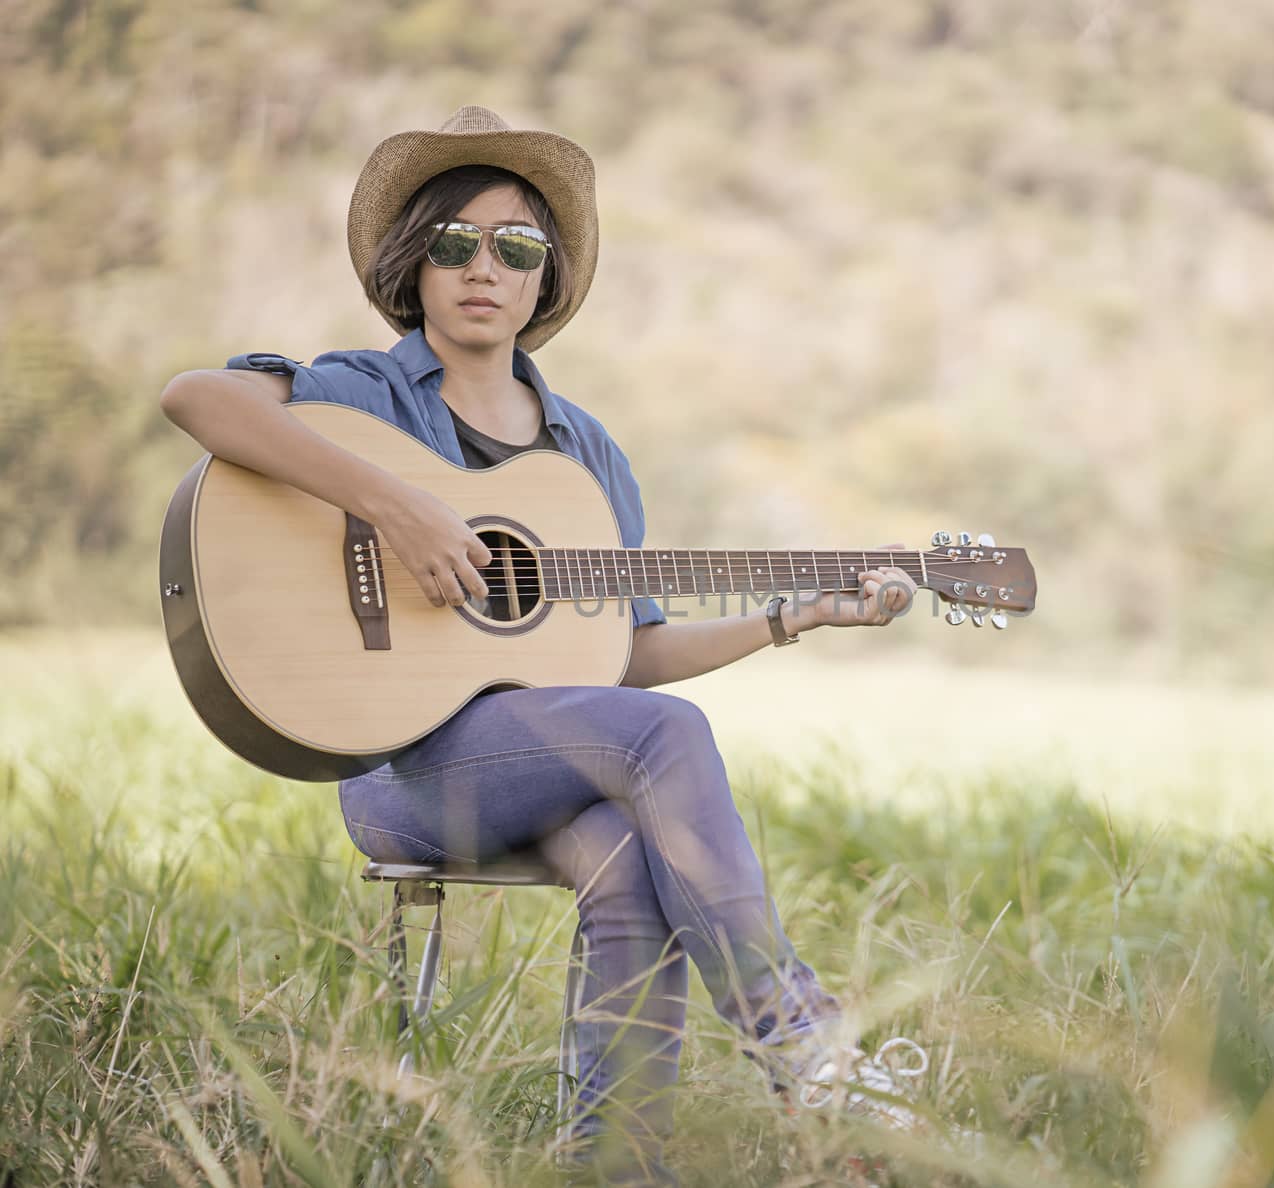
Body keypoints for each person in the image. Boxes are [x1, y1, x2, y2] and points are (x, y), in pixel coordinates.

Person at [159, 106, 928, 1183]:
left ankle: (616, 1162)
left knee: (624, 844)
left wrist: (783, 619)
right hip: (394, 765)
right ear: (412, 263)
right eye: (455, 242)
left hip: (534, 756)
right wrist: (397, 508)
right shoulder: (362, 393)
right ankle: (806, 1043)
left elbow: (628, 665)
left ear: (545, 277)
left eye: (517, 247)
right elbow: (197, 399)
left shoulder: (584, 457)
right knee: (666, 740)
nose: (486, 268)